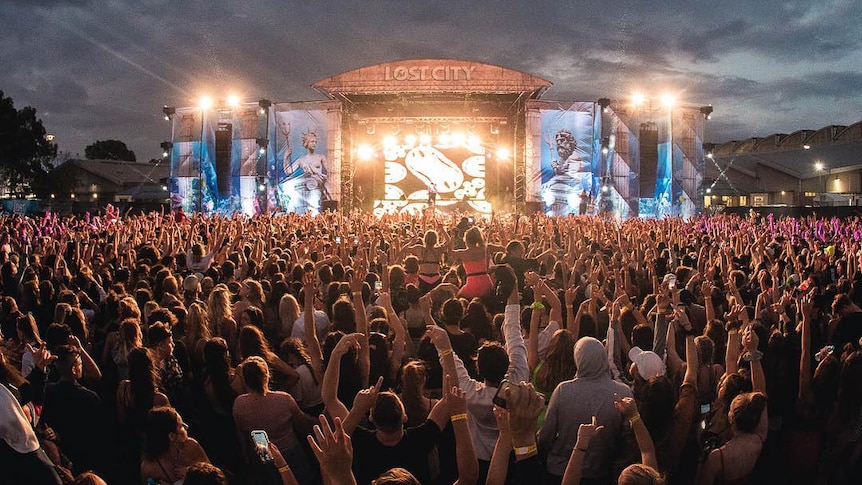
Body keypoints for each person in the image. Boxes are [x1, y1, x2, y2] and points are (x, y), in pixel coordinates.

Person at [140, 406, 210, 485]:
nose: (186, 427)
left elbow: (214, 477)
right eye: (181, 426)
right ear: (172, 436)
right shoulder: (149, 468)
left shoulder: (191, 446)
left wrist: (192, 473)